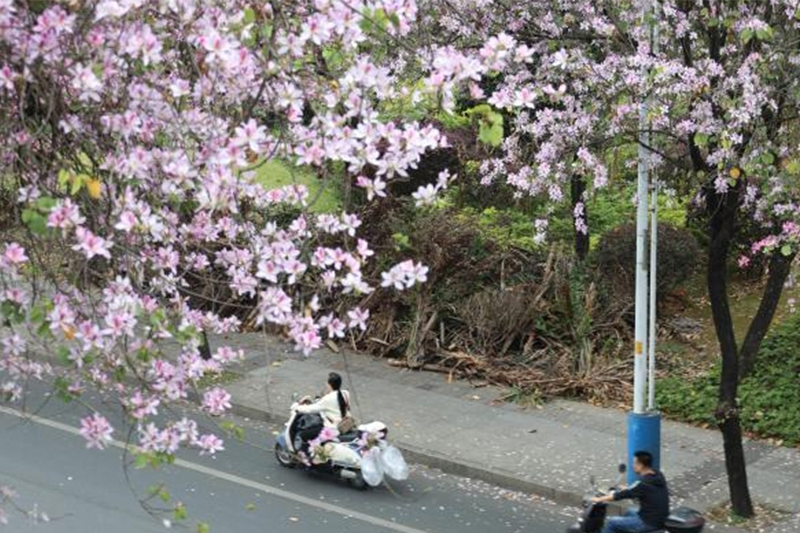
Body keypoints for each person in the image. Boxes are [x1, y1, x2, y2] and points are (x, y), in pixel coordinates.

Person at [592, 451, 670, 533]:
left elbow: (620, 495)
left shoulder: (643, 483)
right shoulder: (658, 475)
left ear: (641, 465)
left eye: (634, 463)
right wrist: (628, 488)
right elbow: (640, 490)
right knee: (630, 511)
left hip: (648, 522)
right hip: (659, 518)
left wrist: (599, 499)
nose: (633, 466)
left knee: (612, 522)